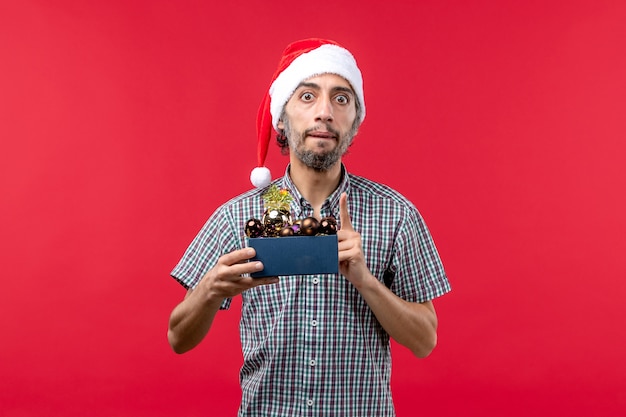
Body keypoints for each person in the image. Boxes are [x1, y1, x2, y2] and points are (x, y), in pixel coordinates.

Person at [167, 38, 451, 416]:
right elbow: (177, 338)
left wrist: (365, 280)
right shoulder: (239, 216)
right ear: (281, 118)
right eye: (307, 97)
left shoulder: (395, 214)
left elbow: (424, 341)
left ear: (355, 120)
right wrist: (209, 289)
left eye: (341, 98)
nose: (324, 112)